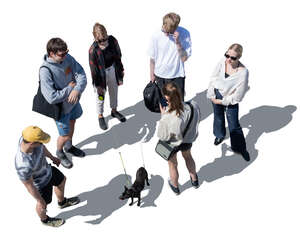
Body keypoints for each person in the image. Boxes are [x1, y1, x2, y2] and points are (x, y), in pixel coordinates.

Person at [15, 126, 80, 227]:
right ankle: (45, 220)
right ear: (32, 143)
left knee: (62, 181)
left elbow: (42, 148)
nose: (42, 143)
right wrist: (39, 200)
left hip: (48, 170)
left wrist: (52, 158)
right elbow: (29, 186)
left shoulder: (26, 138)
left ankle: (62, 203)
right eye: (40, 142)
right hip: (41, 184)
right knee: (43, 204)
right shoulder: (23, 164)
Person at [40, 38, 87, 168]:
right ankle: (60, 152)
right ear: (51, 54)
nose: (65, 56)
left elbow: (81, 74)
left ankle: (69, 147)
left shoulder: (67, 58)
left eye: (66, 52)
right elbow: (51, 97)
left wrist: (77, 89)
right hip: (61, 109)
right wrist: (70, 89)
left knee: (73, 121)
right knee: (64, 135)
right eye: (61, 54)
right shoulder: (45, 71)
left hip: (73, 102)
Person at [207, 43, 250, 161]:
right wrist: (211, 95)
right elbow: (213, 77)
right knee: (218, 117)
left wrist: (222, 102)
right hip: (216, 94)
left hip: (229, 99)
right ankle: (219, 135)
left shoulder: (243, 72)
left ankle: (240, 148)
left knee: (234, 125)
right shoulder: (223, 61)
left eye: (233, 58)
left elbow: (238, 97)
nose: (229, 59)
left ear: (239, 57)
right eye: (227, 55)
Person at [157, 83, 200, 195]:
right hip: (188, 139)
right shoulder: (193, 105)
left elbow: (163, 136)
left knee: (173, 164)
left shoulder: (168, 116)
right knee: (188, 157)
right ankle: (194, 179)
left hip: (173, 144)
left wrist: (163, 116)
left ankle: (175, 186)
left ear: (167, 98)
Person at [89, 23, 126, 130]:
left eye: (105, 39)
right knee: (100, 96)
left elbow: (119, 56)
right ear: (95, 39)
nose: (104, 42)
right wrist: (98, 85)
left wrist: (121, 70)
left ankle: (114, 111)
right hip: (100, 75)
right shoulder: (93, 50)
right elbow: (93, 69)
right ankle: (100, 115)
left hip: (113, 70)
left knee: (114, 91)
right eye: (100, 40)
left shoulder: (113, 41)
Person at [148, 12, 192, 101]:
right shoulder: (156, 36)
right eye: (164, 30)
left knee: (178, 105)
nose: (166, 34)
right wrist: (151, 75)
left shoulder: (185, 34)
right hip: (160, 76)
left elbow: (184, 58)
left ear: (175, 28)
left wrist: (178, 42)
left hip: (177, 76)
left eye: (168, 32)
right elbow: (152, 58)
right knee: (164, 104)